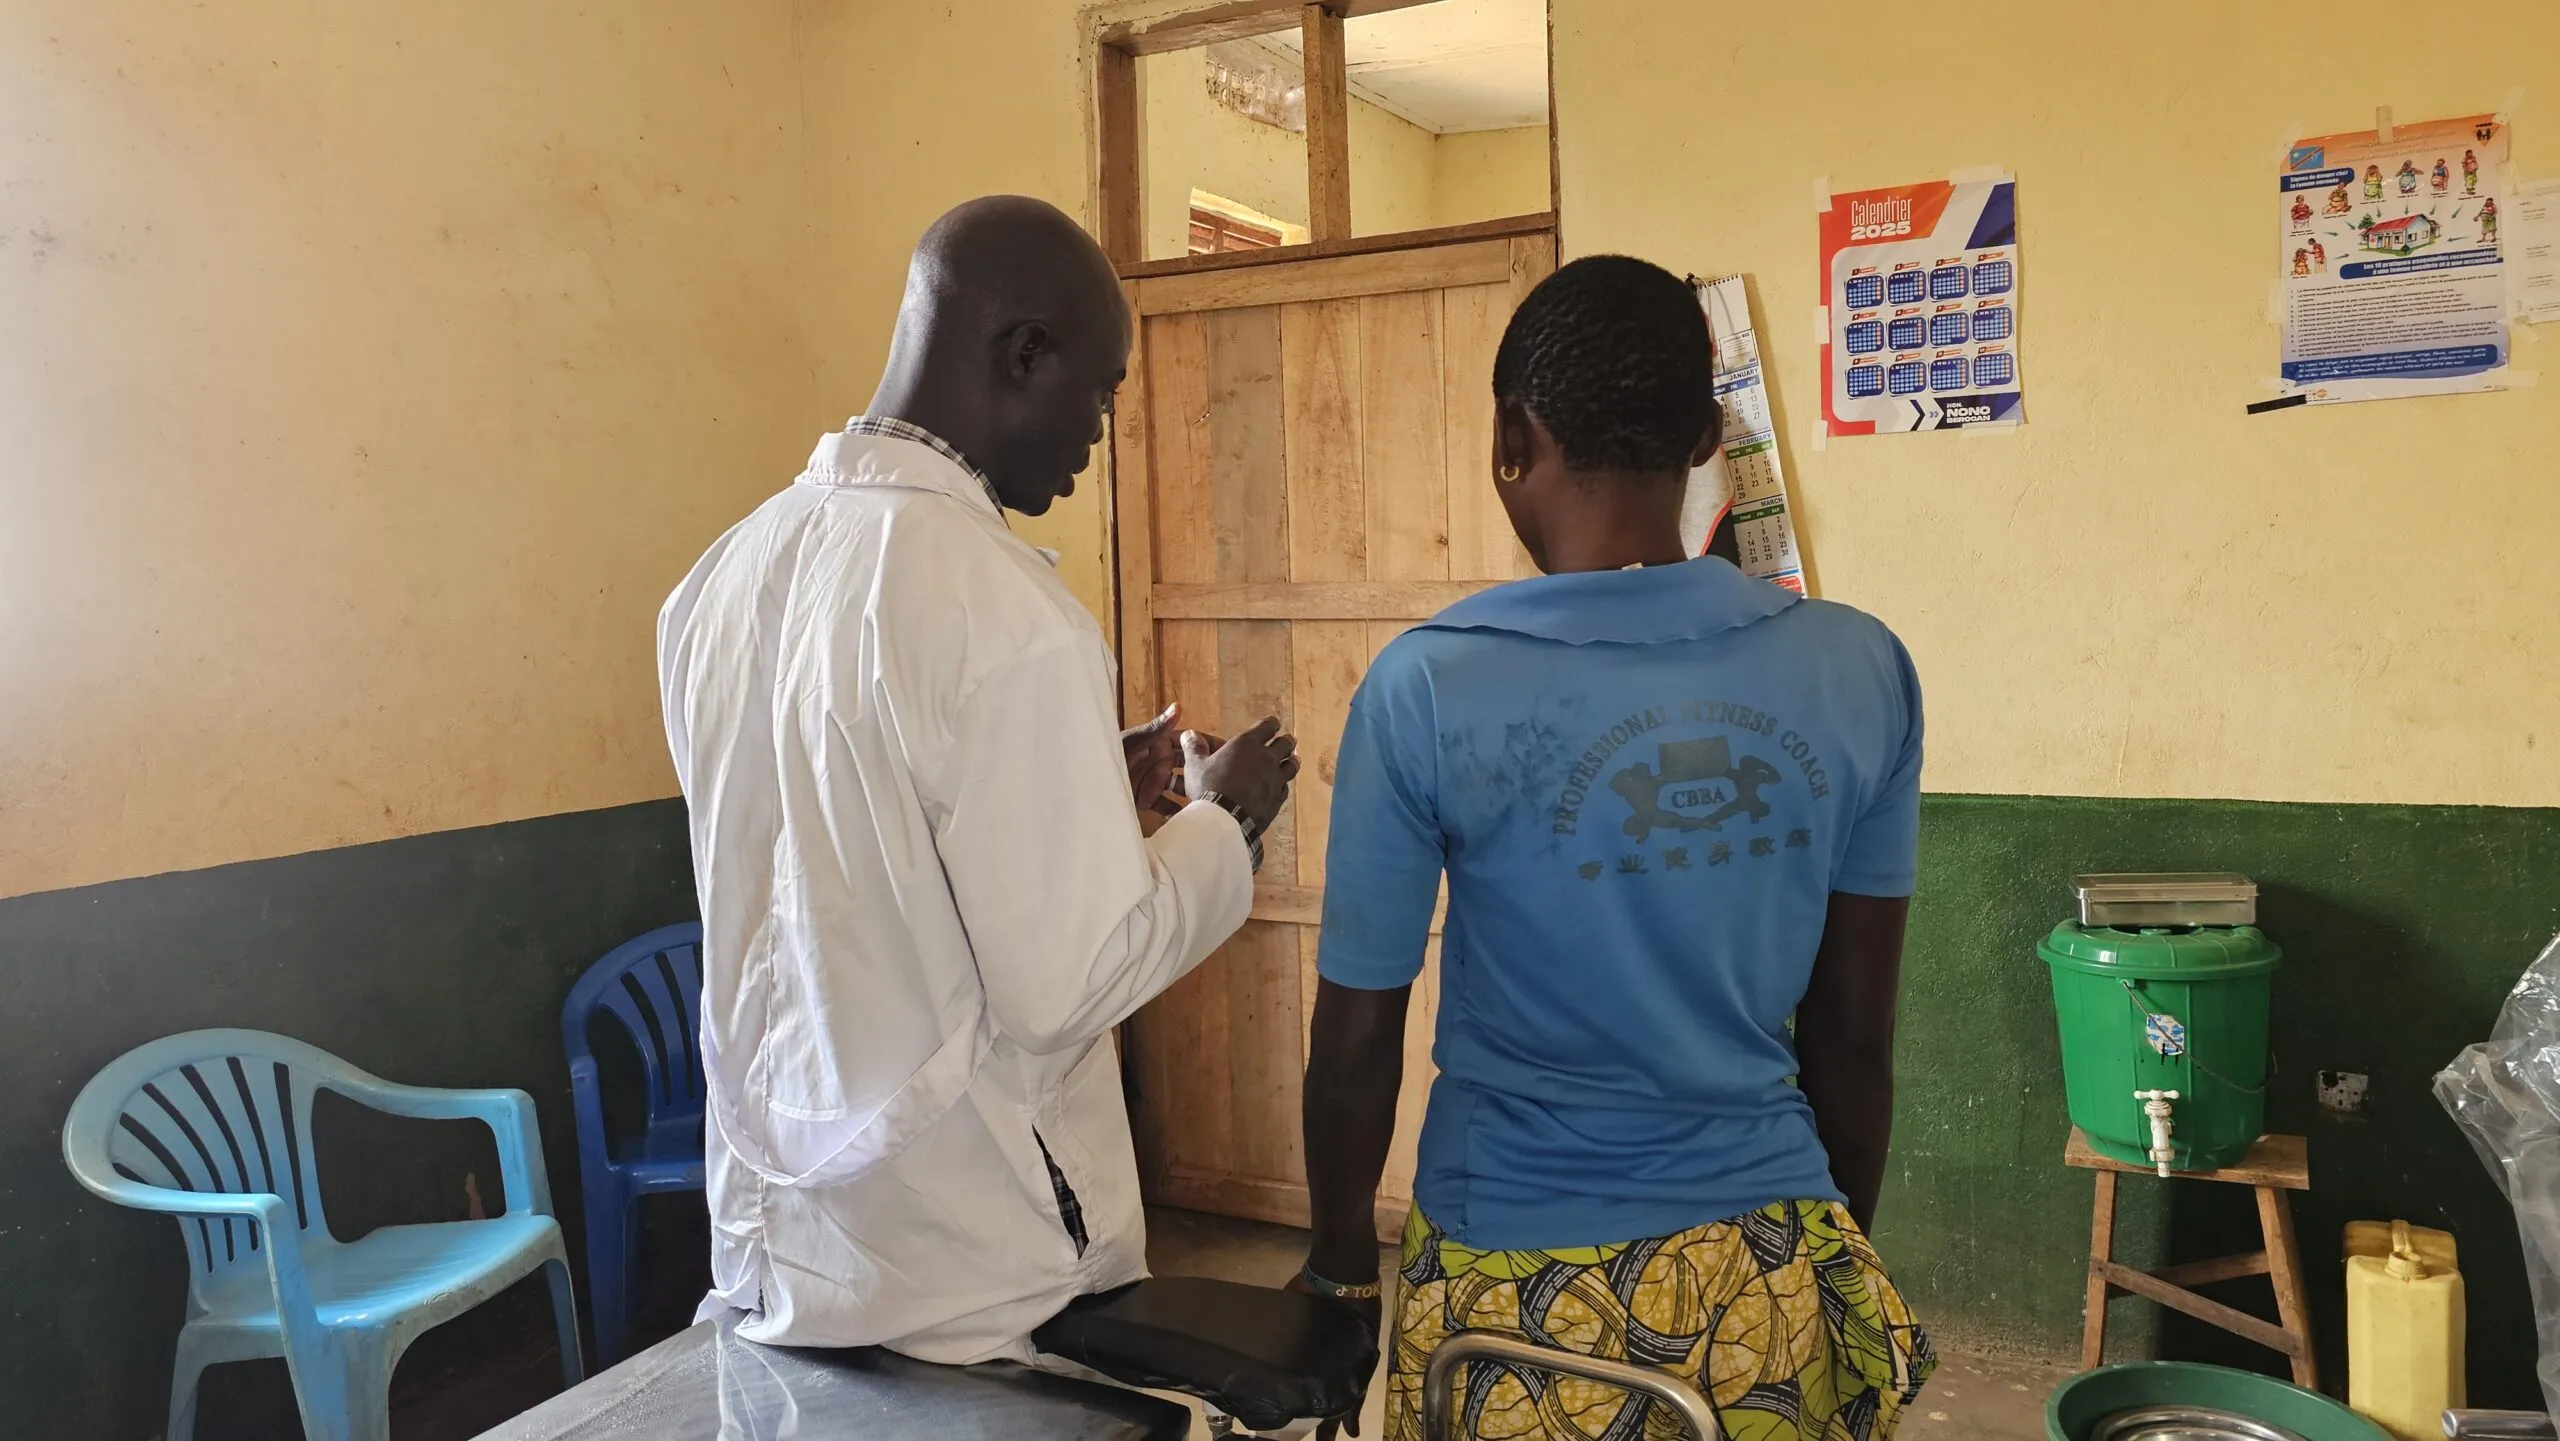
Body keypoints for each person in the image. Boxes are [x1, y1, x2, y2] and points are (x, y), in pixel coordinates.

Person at [1295, 255, 1935, 1440]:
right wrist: (1823, 1254)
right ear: (1703, 439)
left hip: (1513, 1297)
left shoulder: (1429, 687)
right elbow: (1852, 1037)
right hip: (1767, 1280)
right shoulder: (1858, 669)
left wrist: (1340, 1270)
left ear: (1509, 435)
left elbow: (1358, 1033)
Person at [659, 195, 1299, 1363]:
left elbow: (845, 833)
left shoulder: (724, 574)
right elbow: (1071, 979)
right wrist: (1223, 822)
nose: (1102, 430)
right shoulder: (1007, 611)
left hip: (790, 1240)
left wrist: (1078, 782)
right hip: (966, 1256)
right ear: (1022, 355)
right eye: (1102, 390)